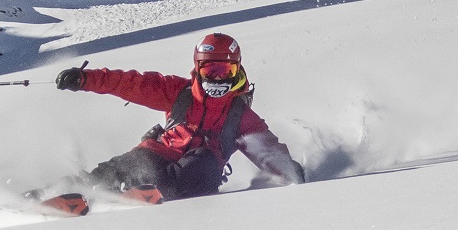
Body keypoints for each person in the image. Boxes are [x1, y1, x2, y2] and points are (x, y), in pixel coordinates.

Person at [52, 32, 305, 201]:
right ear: (198, 68)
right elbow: (131, 84)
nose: (218, 78)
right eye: (211, 70)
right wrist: (85, 79)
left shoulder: (241, 115)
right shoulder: (178, 92)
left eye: (225, 70)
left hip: (198, 171)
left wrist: (290, 170)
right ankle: (65, 193)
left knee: (202, 161)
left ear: (237, 69)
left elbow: (268, 150)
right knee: (136, 161)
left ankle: (146, 193)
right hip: (162, 153)